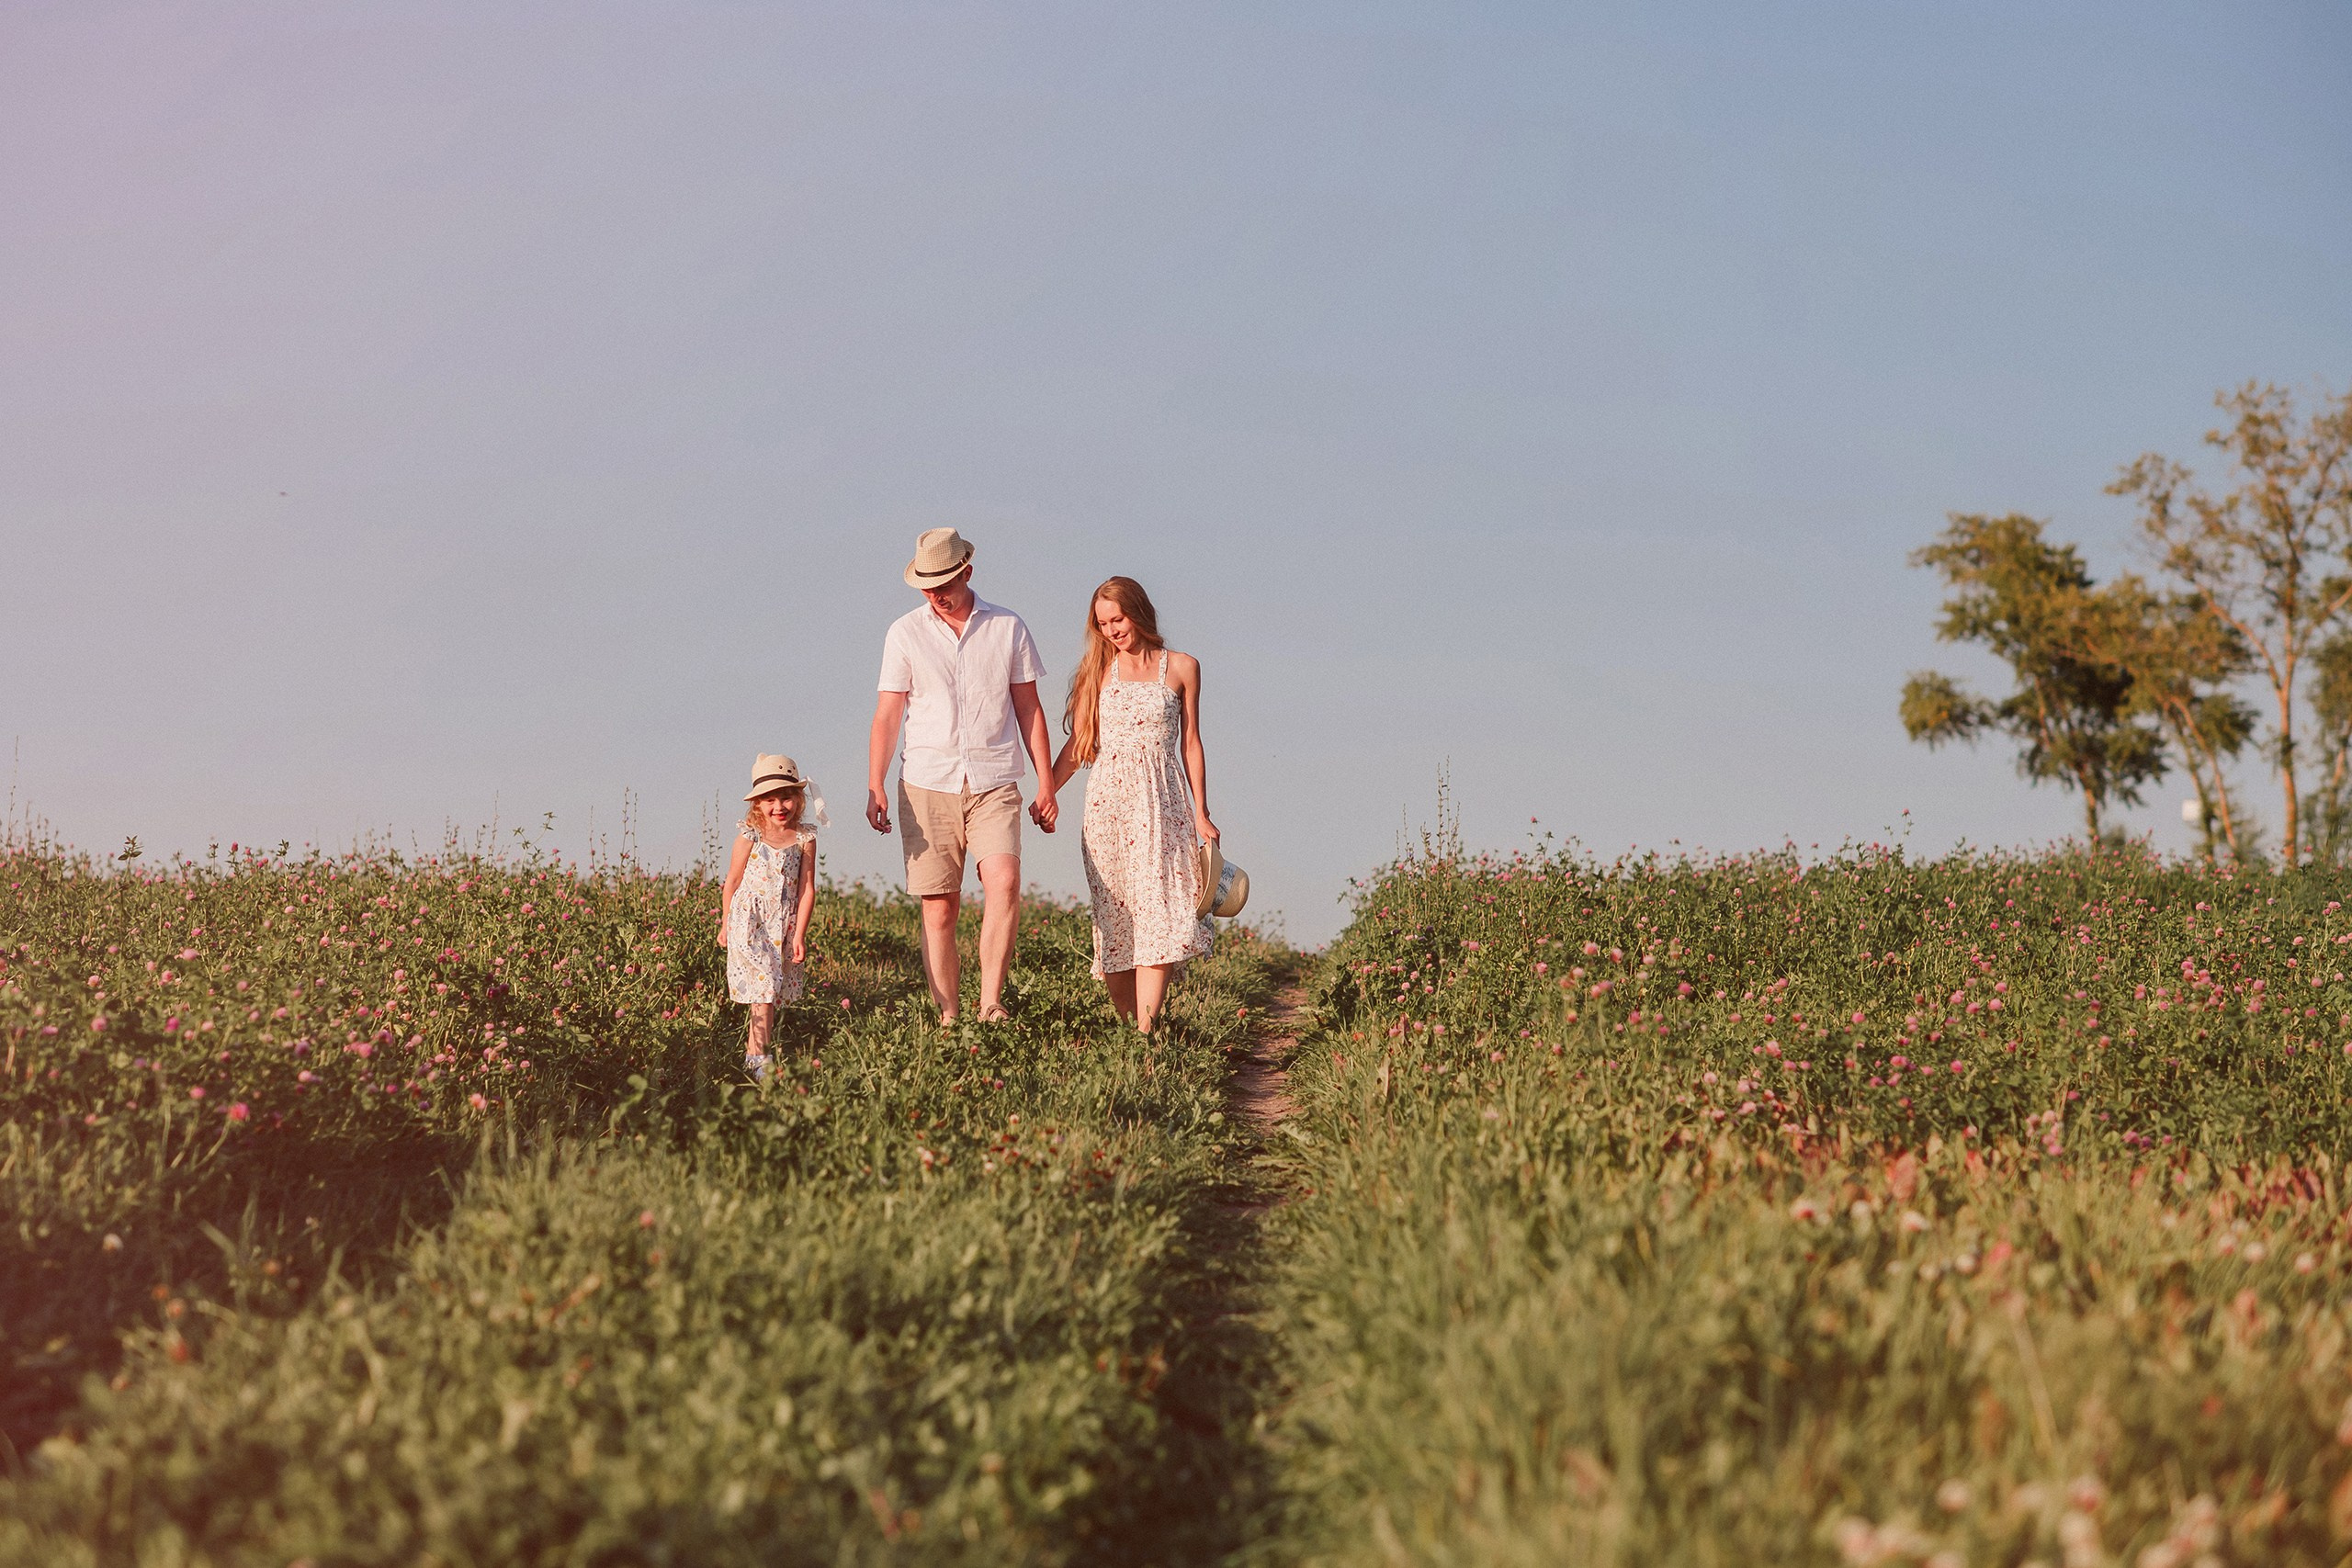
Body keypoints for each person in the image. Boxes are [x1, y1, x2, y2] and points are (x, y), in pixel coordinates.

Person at [867, 528, 1058, 1024]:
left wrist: (1046, 783)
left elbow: (1029, 710)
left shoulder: (1008, 627)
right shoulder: (903, 633)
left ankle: (990, 1003)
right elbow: (888, 715)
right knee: (940, 907)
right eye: (927, 586)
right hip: (927, 782)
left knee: (1006, 880)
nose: (935, 594)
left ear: (968, 573)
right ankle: (949, 1018)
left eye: (944, 583)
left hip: (994, 779)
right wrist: (875, 784)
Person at [1045, 576, 1216, 1033]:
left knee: (1161, 909)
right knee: (1117, 918)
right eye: (1102, 624)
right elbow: (1079, 745)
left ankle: (1146, 1032)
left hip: (1164, 805)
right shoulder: (1097, 672)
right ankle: (1131, 1037)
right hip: (1108, 808)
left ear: (1138, 611)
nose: (1112, 630)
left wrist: (1202, 812)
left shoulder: (1182, 667)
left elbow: (1192, 744)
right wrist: (1047, 791)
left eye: (1117, 618)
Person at [718, 754, 823, 1080]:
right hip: (749, 922)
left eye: (787, 797)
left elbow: (807, 888)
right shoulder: (750, 835)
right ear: (758, 805)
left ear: (798, 799)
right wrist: (725, 921)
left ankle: (754, 1057)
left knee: (769, 993)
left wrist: (800, 934)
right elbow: (732, 881)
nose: (779, 805)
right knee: (763, 989)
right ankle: (758, 1060)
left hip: (783, 924)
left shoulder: (805, 839)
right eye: (770, 799)